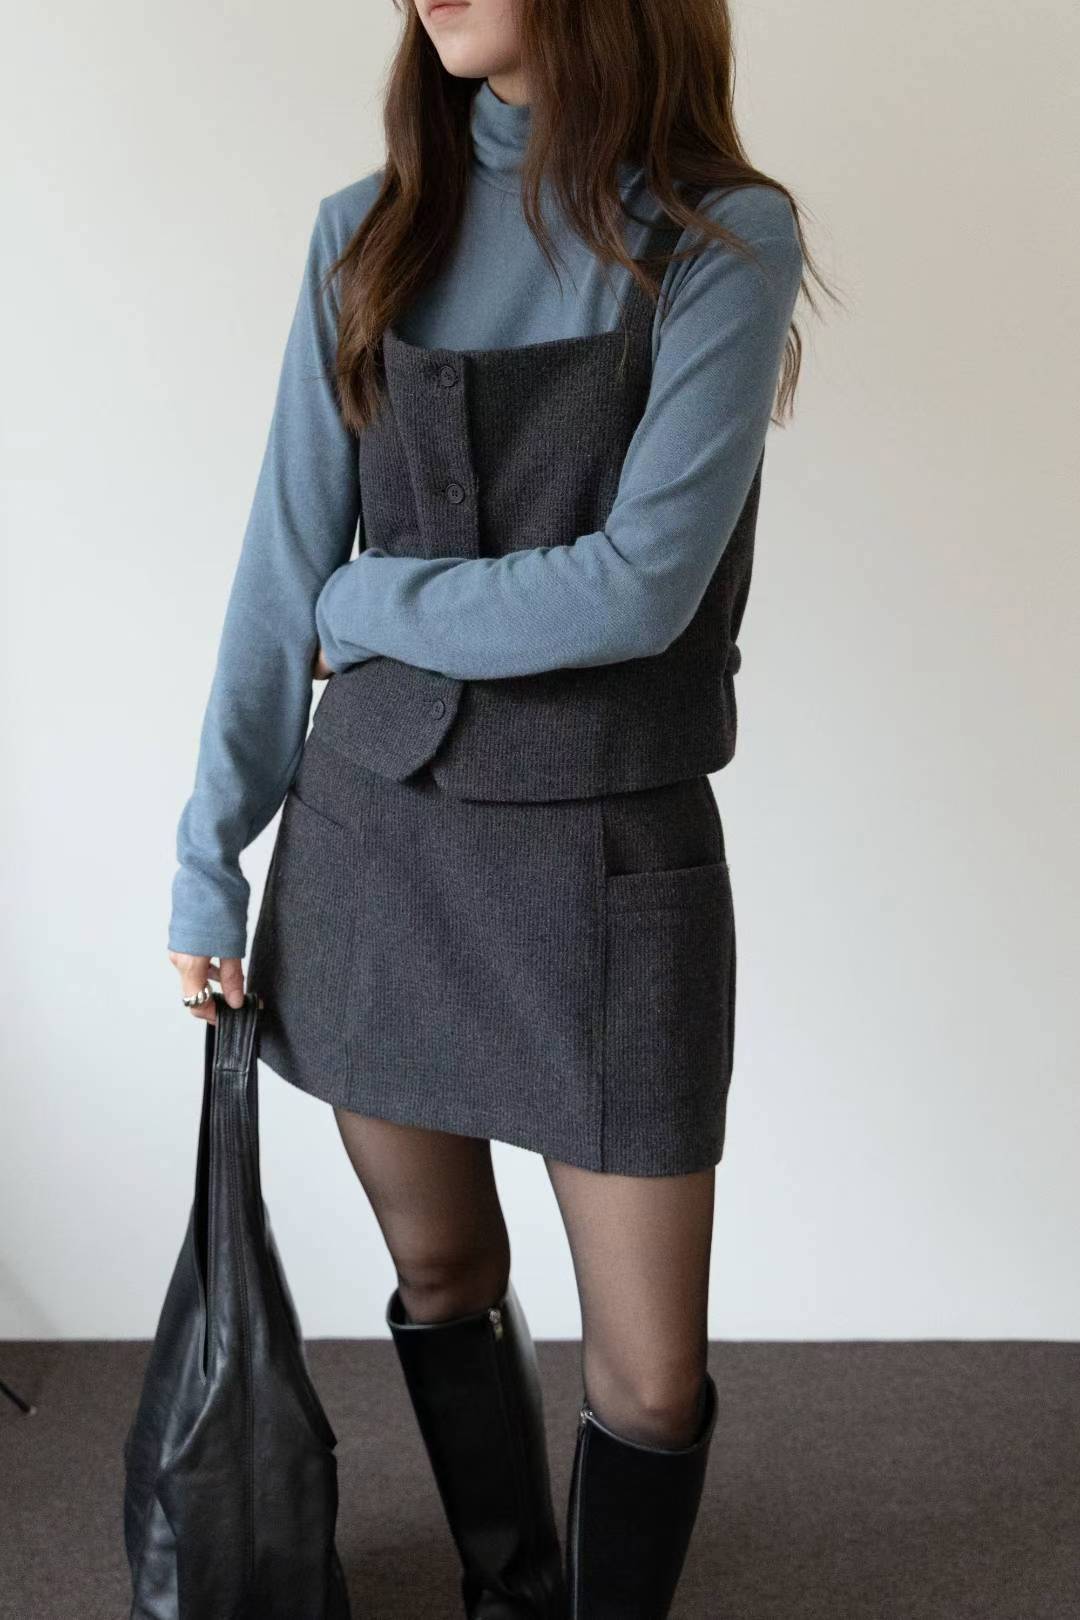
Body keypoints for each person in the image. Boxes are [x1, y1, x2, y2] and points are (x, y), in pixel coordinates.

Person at [167, 1, 829, 1613]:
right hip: (376, 843)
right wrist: (207, 856)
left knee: (650, 1377)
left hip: (612, 859)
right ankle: (509, 1590)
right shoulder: (367, 234)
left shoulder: (723, 239)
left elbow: (635, 591)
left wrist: (373, 602)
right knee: (441, 1267)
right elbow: (278, 568)